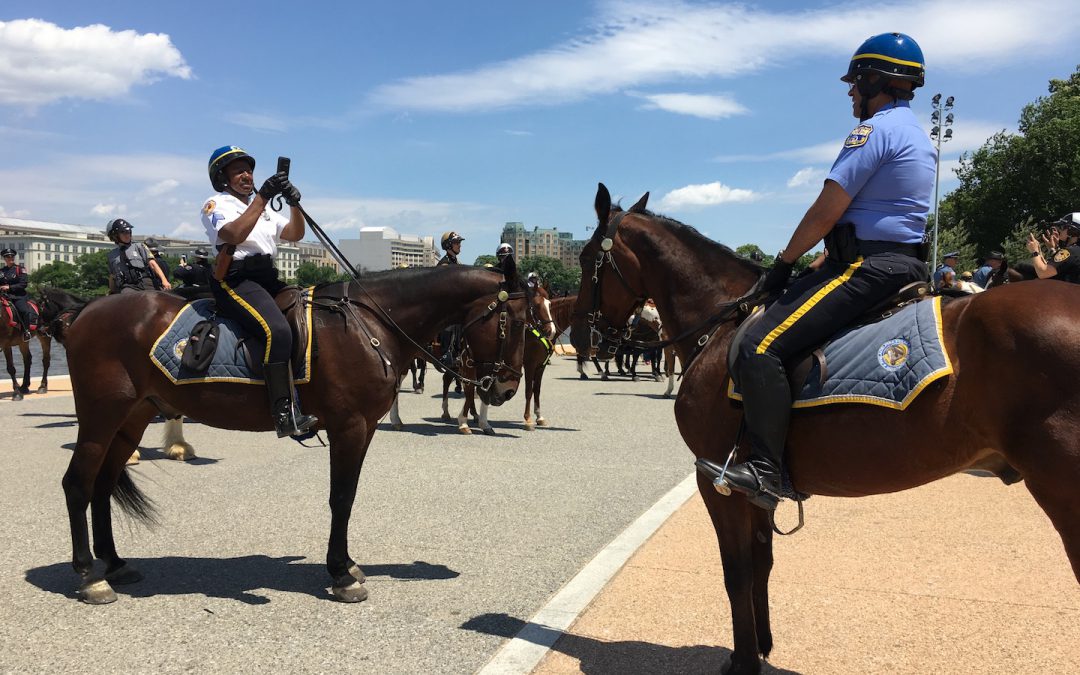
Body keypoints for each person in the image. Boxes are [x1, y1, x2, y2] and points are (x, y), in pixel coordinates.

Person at [726, 33, 934, 510]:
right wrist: (816, 264)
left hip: (869, 266)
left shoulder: (874, 131)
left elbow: (826, 212)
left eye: (854, 82)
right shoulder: (914, 134)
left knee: (759, 348)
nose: (849, 93)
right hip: (884, 258)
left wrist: (781, 266)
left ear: (876, 80)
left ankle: (765, 470)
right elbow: (866, 222)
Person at [201, 145, 317, 438]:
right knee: (276, 331)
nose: (246, 175)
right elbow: (234, 235)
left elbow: (294, 233)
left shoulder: (261, 209)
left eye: (248, 169)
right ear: (222, 177)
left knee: (310, 312)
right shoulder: (216, 204)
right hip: (236, 278)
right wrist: (264, 196)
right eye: (238, 170)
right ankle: (282, 414)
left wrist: (294, 203)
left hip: (266, 276)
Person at [106, 219, 171, 294]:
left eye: (128, 232)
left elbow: (153, 264)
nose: (127, 234)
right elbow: (112, 276)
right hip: (128, 286)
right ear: (115, 235)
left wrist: (164, 280)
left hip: (146, 281)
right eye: (123, 232)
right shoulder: (111, 255)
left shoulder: (139, 246)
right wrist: (112, 291)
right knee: (126, 298)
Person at [1026, 213, 1080, 283]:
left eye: (1062, 227)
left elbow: (1043, 273)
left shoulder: (1070, 252)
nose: (1059, 230)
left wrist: (1034, 251)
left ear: (1072, 231)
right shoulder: (1076, 251)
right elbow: (1050, 269)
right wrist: (1041, 250)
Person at [0, 248, 37, 339]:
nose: (10, 258)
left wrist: (9, 287)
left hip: (18, 296)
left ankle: (26, 331)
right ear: (5, 259)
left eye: (12, 256)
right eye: (8, 257)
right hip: (4, 296)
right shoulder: (1, 271)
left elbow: (23, 284)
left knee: (23, 310)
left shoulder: (20, 269)